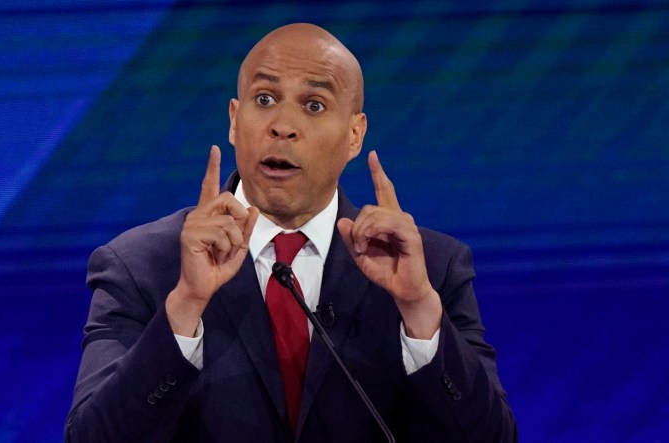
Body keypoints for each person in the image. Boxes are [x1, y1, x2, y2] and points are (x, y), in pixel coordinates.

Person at [65, 23, 517, 442]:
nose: (282, 125)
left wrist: (419, 310)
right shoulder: (141, 265)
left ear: (355, 135)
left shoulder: (430, 268)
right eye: (264, 99)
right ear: (233, 120)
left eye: (314, 105)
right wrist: (184, 307)